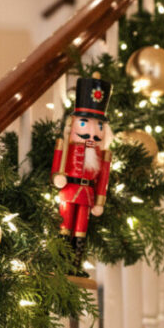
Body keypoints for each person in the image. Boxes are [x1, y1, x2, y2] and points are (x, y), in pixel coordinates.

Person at [51, 75, 112, 273]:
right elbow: (57, 166)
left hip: (87, 196)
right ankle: (60, 262)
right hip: (68, 192)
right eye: (85, 123)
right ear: (73, 123)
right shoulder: (65, 146)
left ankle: (74, 265)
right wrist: (57, 177)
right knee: (64, 226)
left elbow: (103, 179)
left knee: (80, 230)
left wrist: (100, 202)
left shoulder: (102, 154)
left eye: (99, 126)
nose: (93, 132)